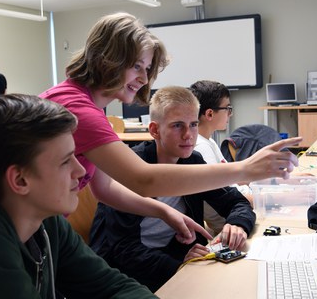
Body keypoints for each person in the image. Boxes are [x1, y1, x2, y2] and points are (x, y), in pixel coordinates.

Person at [39, 12, 301, 243]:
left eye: (147, 69)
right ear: (109, 60)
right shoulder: (77, 107)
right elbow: (143, 179)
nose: (143, 79)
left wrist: (162, 210)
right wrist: (244, 169)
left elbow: (104, 188)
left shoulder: (84, 104)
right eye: (136, 66)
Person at [0, 94, 157, 298]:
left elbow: (110, 286)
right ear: (19, 180)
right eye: (66, 161)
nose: (80, 171)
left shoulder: (44, 218)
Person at [89, 86, 256, 291]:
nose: (188, 135)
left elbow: (235, 201)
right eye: (178, 126)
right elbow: (124, 250)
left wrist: (238, 225)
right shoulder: (130, 170)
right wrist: (178, 265)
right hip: (126, 273)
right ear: (154, 130)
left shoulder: (192, 161)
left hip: (172, 260)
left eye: (193, 124)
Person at [189, 80, 252, 234]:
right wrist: (272, 199)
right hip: (232, 223)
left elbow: (232, 177)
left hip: (242, 209)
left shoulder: (208, 141)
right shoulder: (201, 148)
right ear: (210, 113)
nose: (230, 114)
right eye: (228, 109)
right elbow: (221, 200)